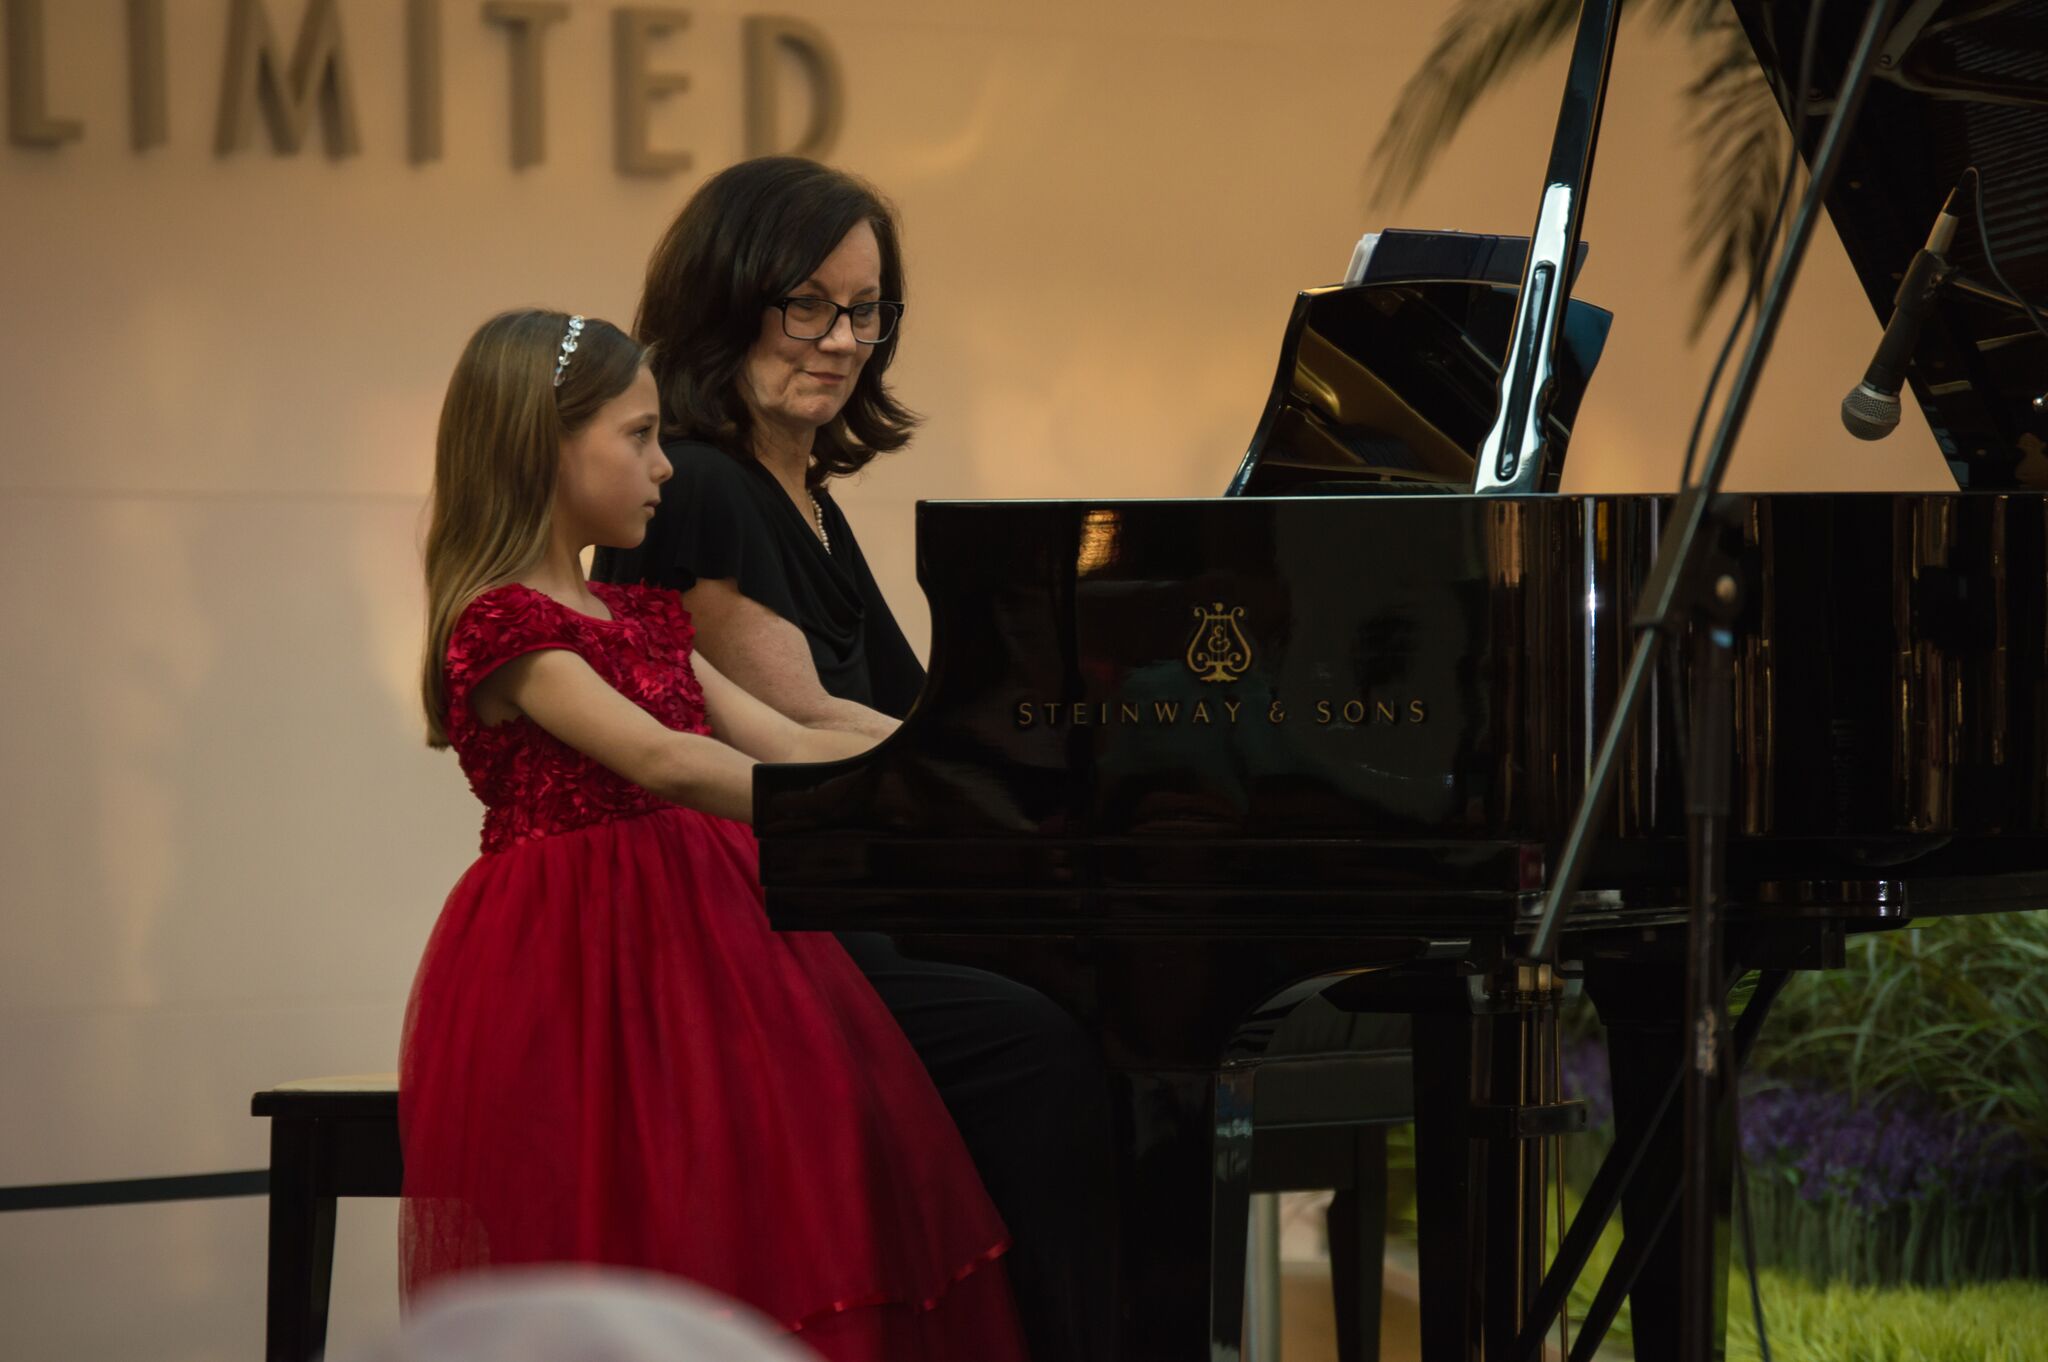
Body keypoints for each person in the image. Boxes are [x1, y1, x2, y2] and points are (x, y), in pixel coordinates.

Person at [402, 308, 1029, 1362]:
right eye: (638, 438)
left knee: (782, 1172)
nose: (665, 466)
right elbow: (665, 760)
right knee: (639, 1191)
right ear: (541, 445)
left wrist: (953, 765)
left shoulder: (632, 613)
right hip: (578, 958)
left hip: (709, 920)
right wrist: (882, 804)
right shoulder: (501, 622)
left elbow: (783, 732)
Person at [594, 156, 1117, 1362]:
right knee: (1039, 1043)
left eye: (866, 310)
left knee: (1082, 1009)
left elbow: (891, 724)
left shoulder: (808, 496)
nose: (841, 340)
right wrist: (1050, 777)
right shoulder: (707, 487)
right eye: (807, 303)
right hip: (748, 917)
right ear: (728, 295)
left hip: (824, 892)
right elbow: (812, 735)